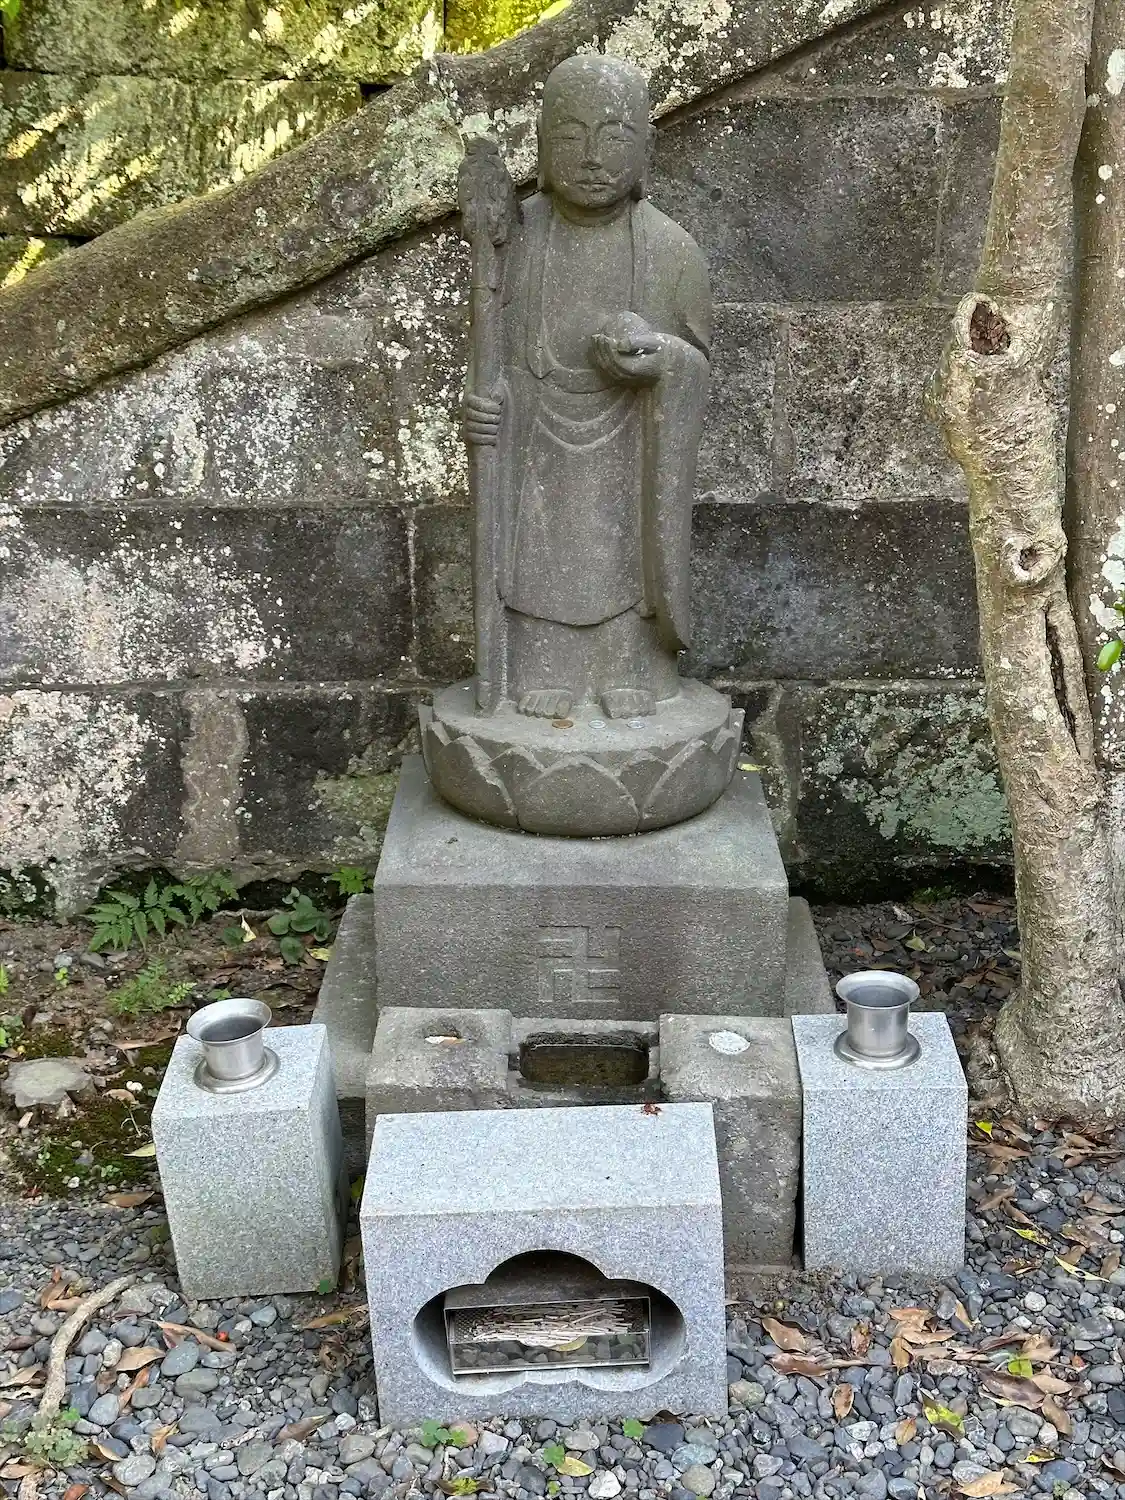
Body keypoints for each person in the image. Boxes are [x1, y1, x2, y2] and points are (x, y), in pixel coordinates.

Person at [462, 53, 712, 721]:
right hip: (537, 445)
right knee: (537, 552)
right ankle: (541, 669)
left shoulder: (672, 251)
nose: (593, 157)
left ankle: (626, 667)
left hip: (630, 444)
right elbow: (492, 359)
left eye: (614, 137)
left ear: (645, 149)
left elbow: (697, 368)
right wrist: (483, 409)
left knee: (625, 550)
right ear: (543, 147)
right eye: (570, 136)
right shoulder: (512, 242)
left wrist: (661, 359)